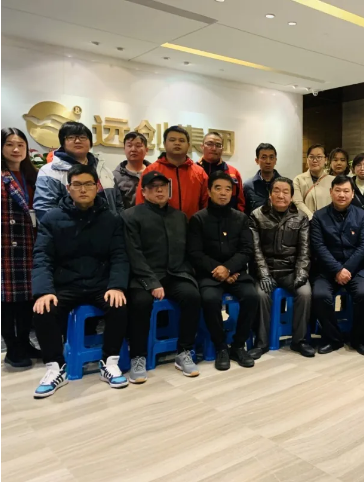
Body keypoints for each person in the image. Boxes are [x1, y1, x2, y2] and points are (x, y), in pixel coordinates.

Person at [31, 164, 130, 398]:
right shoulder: (52, 218)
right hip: (66, 284)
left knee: (120, 305)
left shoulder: (111, 219)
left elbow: (119, 255)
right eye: (77, 185)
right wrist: (44, 291)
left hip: (99, 283)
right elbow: (42, 256)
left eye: (88, 184)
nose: (83, 189)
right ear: (68, 188)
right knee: (43, 309)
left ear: (97, 187)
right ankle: (55, 367)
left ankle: (109, 362)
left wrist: (116, 285)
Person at [122, 171, 203, 383]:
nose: (159, 190)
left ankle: (184, 352)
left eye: (163, 186)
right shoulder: (130, 216)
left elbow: (187, 251)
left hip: (175, 273)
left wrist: (189, 273)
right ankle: (138, 357)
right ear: (143, 191)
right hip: (143, 276)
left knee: (192, 296)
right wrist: (151, 282)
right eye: (153, 187)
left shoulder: (179, 216)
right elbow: (133, 253)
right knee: (140, 302)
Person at [187, 171, 258, 370]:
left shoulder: (241, 218)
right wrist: (218, 270)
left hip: (236, 273)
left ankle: (238, 345)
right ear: (209, 192)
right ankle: (220, 347)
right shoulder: (198, 219)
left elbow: (247, 250)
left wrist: (229, 269)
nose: (223, 193)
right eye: (218, 188)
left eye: (228, 189)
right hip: (209, 274)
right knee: (210, 300)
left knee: (251, 296)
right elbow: (195, 253)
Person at [249, 177, 315, 358]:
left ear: (292, 197)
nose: (281, 195)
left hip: (290, 271)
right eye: (276, 191)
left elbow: (304, 250)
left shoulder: (301, 217)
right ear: (270, 194)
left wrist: (301, 274)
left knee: (305, 293)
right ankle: (261, 343)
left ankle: (299, 340)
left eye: (286, 192)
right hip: (266, 271)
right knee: (261, 295)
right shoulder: (256, 215)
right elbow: (255, 250)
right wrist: (264, 274)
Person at [311, 175, 364, 355]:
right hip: (327, 270)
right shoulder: (319, 216)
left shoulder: (362, 215)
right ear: (331, 192)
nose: (342, 195)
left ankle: (358, 339)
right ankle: (334, 339)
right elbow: (319, 247)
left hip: (355, 269)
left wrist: (347, 269)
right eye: (337, 190)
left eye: (346, 191)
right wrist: (337, 270)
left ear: (353, 194)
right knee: (320, 295)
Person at [1, 127, 40, 368]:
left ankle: (25, 342)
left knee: (27, 298)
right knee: (7, 300)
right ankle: (12, 347)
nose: (16, 149)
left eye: (20, 145)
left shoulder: (32, 176)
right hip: (6, 246)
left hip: (30, 244)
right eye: (9, 144)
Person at [34, 121, 123, 220]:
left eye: (83, 137)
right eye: (71, 137)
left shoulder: (104, 170)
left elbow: (118, 204)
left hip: (107, 227)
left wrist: (117, 225)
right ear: (62, 142)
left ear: (90, 142)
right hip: (69, 228)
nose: (77, 141)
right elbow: (44, 210)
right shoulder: (49, 171)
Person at [135, 126, 208, 219]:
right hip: (158, 225)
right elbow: (141, 203)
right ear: (165, 144)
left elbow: (206, 205)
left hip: (192, 225)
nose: (177, 143)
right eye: (172, 140)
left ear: (188, 145)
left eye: (182, 140)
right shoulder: (151, 170)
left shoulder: (199, 173)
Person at [197, 131, 245, 212]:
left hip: (229, 218)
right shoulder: (194, 171)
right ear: (202, 146)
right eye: (209, 144)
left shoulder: (233, 172)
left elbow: (240, 202)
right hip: (200, 218)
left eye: (218, 145)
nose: (214, 148)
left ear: (222, 149)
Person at [293, 144, 334, 219]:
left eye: (319, 157)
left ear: (326, 160)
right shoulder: (298, 180)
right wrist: (313, 218)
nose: (315, 160)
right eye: (311, 157)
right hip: (306, 222)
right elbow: (297, 202)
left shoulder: (333, 181)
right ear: (307, 159)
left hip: (328, 222)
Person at [114, 131, 150, 209]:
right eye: (129, 145)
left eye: (138, 146)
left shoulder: (154, 172)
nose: (133, 149)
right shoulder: (115, 176)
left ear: (146, 150)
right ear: (124, 149)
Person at [243, 143, 281, 214]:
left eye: (271, 157)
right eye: (264, 157)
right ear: (257, 160)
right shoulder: (248, 186)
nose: (268, 161)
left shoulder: (285, 185)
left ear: (275, 160)